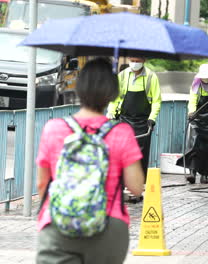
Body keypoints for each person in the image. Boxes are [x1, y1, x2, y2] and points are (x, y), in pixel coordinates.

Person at [35, 58, 145, 263]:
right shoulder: (122, 132)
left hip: (59, 225)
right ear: (112, 93)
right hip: (109, 227)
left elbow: (42, 183)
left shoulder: (54, 128)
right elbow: (137, 187)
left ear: (80, 88)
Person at [107, 57, 162, 180]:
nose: (135, 64)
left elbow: (156, 101)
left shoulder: (151, 77)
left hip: (144, 122)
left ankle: (140, 182)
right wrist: (111, 111)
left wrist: (152, 118)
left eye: (138, 61)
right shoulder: (122, 76)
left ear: (144, 61)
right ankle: (124, 182)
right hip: (125, 119)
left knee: (141, 154)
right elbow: (115, 98)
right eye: (132, 61)